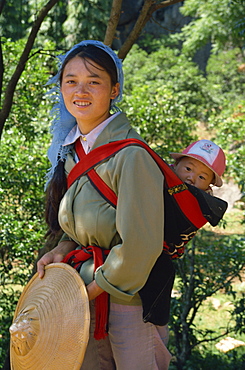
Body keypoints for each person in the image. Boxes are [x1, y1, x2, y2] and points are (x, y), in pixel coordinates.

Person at [37, 40, 172, 370]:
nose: (80, 90)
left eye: (93, 81)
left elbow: (140, 247)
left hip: (128, 303)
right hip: (88, 295)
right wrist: (62, 250)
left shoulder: (131, 155)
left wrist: (85, 293)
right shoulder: (72, 153)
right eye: (71, 81)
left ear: (114, 90)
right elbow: (89, 227)